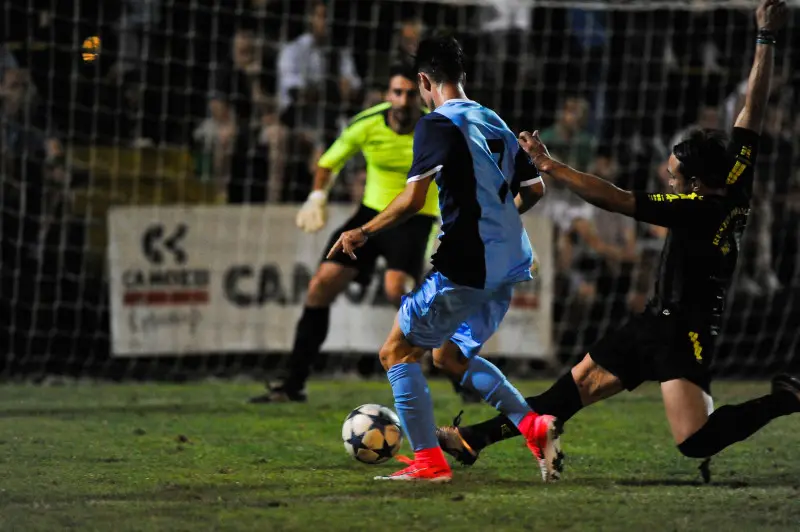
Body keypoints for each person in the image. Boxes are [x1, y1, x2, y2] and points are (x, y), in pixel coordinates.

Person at [436, 0, 800, 481]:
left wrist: (552, 167)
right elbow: (754, 106)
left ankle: (785, 398)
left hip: (685, 332)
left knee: (695, 441)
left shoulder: (697, 209)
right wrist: (766, 39)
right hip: (653, 321)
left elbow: (615, 198)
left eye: (673, 177)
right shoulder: (736, 173)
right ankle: (475, 439)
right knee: (567, 393)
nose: (668, 182)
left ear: (693, 183)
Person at [328, 35, 561, 483]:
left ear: (423, 81)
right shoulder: (493, 120)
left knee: (396, 352)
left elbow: (414, 200)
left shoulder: (436, 124)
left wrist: (363, 229)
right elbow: (535, 190)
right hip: (510, 261)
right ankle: (534, 427)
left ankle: (429, 462)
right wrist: (497, 223)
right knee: (449, 356)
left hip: (467, 264)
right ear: (461, 76)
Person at [249, 64, 439, 403]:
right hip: (371, 214)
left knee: (397, 288)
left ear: (421, 96)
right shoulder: (367, 124)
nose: (404, 100)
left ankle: (447, 365)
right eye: (397, 92)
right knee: (321, 285)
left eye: (411, 93)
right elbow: (328, 162)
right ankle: (293, 385)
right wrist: (317, 196)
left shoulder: (435, 129)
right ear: (387, 96)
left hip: (415, 214)